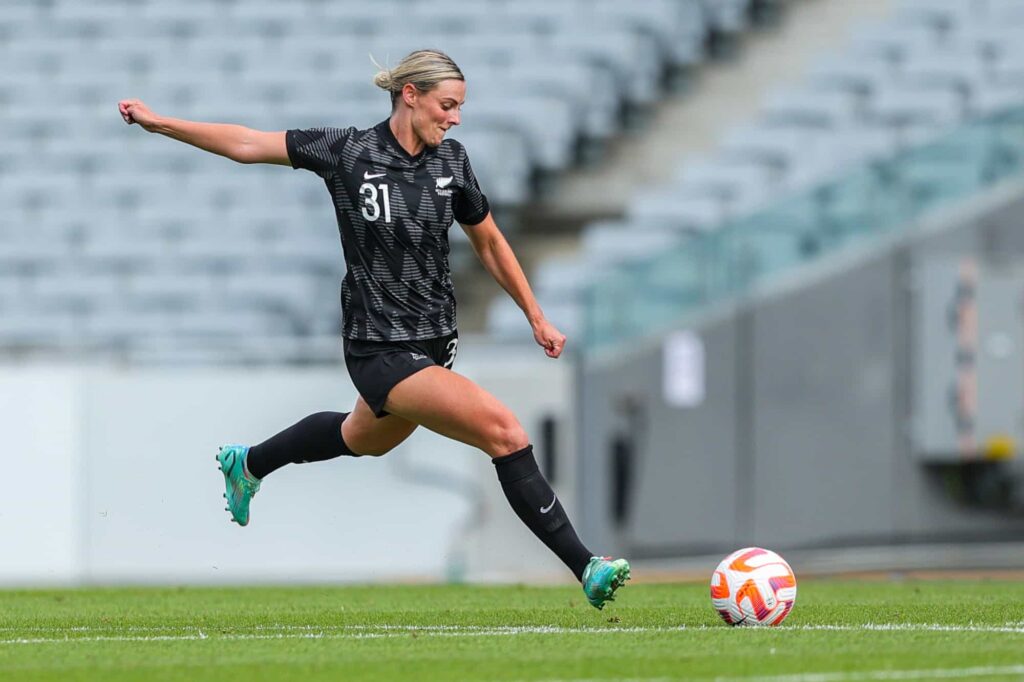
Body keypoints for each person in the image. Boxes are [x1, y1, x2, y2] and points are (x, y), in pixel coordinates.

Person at [118, 49, 629, 609]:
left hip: (436, 341)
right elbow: (247, 143)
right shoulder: (348, 151)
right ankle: (587, 567)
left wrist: (535, 314)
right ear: (410, 95)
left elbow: (488, 240)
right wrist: (159, 121)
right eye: (447, 105)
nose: (455, 118)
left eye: (459, 108)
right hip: (379, 346)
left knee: (362, 438)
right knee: (504, 432)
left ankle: (249, 463)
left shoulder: (452, 161)